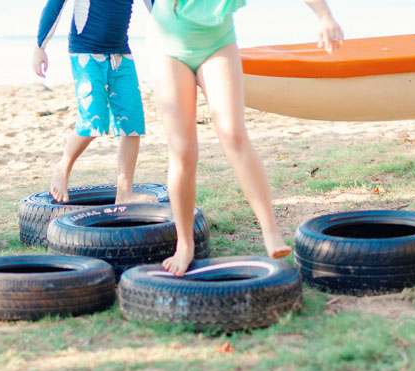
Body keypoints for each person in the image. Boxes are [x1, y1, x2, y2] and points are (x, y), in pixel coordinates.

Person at [149, 0, 343, 276]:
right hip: (168, 48)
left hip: (216, 44)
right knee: (182, 150)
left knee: (234, 135)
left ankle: (270, 231)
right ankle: (185, 244)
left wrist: (324, 15)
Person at [33, 0, 153, 203]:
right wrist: (40, 46)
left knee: (132, 125)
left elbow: (159, 10)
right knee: (94, 121)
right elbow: (55, 5)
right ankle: (63, 167)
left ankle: (124, 193)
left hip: (121, 54)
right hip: (86, 52)